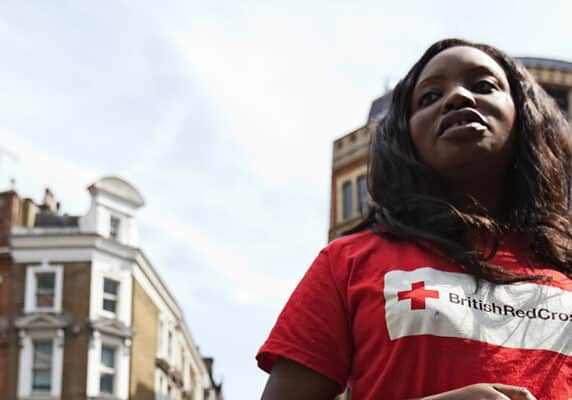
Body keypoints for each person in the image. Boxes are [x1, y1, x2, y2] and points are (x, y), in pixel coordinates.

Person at [256, 38, 572, 400]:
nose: (457, 98)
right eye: (428, 98)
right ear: (406, 137)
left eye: (483, 86)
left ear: (525, 114)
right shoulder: (347, 264)